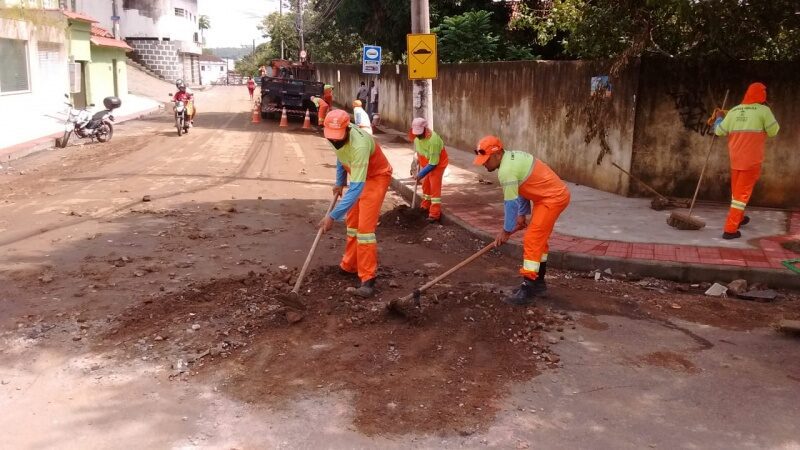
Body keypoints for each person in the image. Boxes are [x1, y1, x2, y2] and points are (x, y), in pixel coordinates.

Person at [474, 135, 570, 305]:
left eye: (486, 159)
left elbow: (510, 204)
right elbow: (523, 187)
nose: (483, 163)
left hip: (552, 198)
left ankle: (529, 287)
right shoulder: (511, 159)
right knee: (538, 240)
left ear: (497, 155)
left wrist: (506, 231)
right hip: (544, 198)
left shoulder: (506, 171)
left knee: (532, 239)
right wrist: (522, 215)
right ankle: (538, 284)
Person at [318, 110, 393, 298]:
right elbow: (341, 156)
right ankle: (349, 265)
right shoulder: (334, 136)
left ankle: (368, 279)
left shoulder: (359, 145)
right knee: (352, 224)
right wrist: (340, 181)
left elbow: (358, 188)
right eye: (332, 138)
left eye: (338, 138)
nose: (334, 141)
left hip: (376, 177)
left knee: (365, 231)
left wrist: (332, 216)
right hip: (360, 175)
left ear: (347, 129)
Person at [713, 82, 780, 240]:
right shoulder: (764, 110)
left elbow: (719, 131)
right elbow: (774, 131)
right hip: (751, 161)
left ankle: (740, 218)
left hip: (735, 160)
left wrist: (718, 118)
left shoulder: (735, 110)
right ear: (762, 95)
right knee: (740, 197)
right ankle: (730, 230)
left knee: (737, 193)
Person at [410, 117, 448, 222]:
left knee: (434, 187)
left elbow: (433, 164)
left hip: (437, 164)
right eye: (416, 133)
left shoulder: (433, 141)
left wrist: (420, 174)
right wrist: (416, 160)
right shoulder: (416, 137)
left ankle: (434, 214)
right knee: (426, 185)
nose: (417, 135)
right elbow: (419, 151)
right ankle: (425, 206)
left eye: (419, 133)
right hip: (427, 162)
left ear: (425, 129)